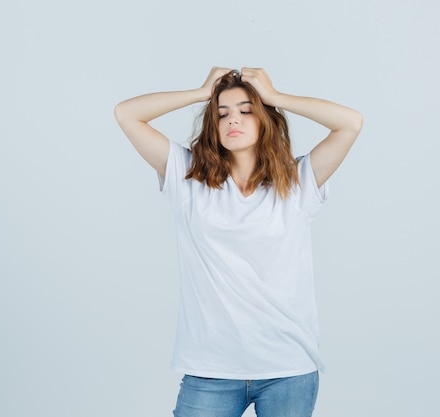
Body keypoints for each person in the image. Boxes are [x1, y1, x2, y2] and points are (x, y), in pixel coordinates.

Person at [114, 67, 362, 417]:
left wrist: (275, 97)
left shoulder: (298, 181)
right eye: (222, 113)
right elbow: (126, 114)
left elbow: (350, 122)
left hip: (287, 368)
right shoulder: (187, 177)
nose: (234, 119)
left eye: (247, 110)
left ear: (265, 121)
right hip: (210, 369)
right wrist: (201, 92)